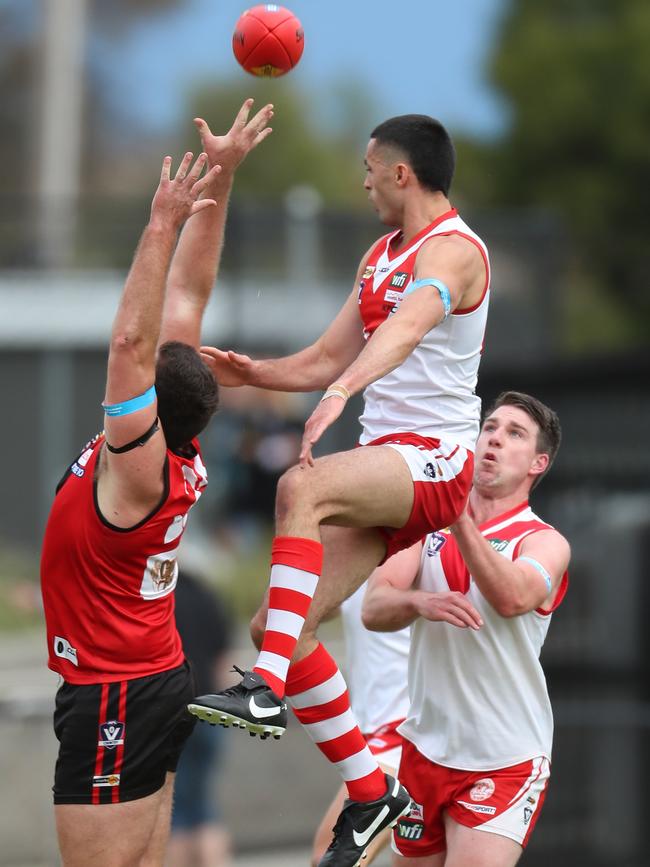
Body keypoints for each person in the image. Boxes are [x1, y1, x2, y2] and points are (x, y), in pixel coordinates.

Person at [190, 114, 490, 866]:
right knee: (276, 628)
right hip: (389, 469)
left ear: (401, 173)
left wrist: (343, 392)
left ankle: (262, 692)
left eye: (368, 168)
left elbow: (411, 325)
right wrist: (253, 372)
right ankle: (369, 790)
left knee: (302, 483)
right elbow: (328, 353)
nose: (360, 181)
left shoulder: (452, 252)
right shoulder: (377, 255)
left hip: (435, 462)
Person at [39, 100, 273, 867]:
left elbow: (132, 337)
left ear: (146, 406)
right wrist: (224, 179)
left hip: (116, 690)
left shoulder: (136, 464)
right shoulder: (177, 444)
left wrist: (163, 220)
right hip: (152, 675)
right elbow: (187, 300)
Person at [361, 391, 571, 867]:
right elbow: (375, 608)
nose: (494, 439)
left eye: (513, 434)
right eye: (490, 428)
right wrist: (419, 600)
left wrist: (458, 518)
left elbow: (513, 596)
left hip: (505, 758)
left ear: (538, 463)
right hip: (425, 749)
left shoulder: (544, 541)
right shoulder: (428, 528)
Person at [169, 570, 234, 867]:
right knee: (203, 805)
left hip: (170, 714)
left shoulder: (157, 601)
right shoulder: (207, 595)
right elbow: (223, 662)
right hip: (209, 708)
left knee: (177, 813)